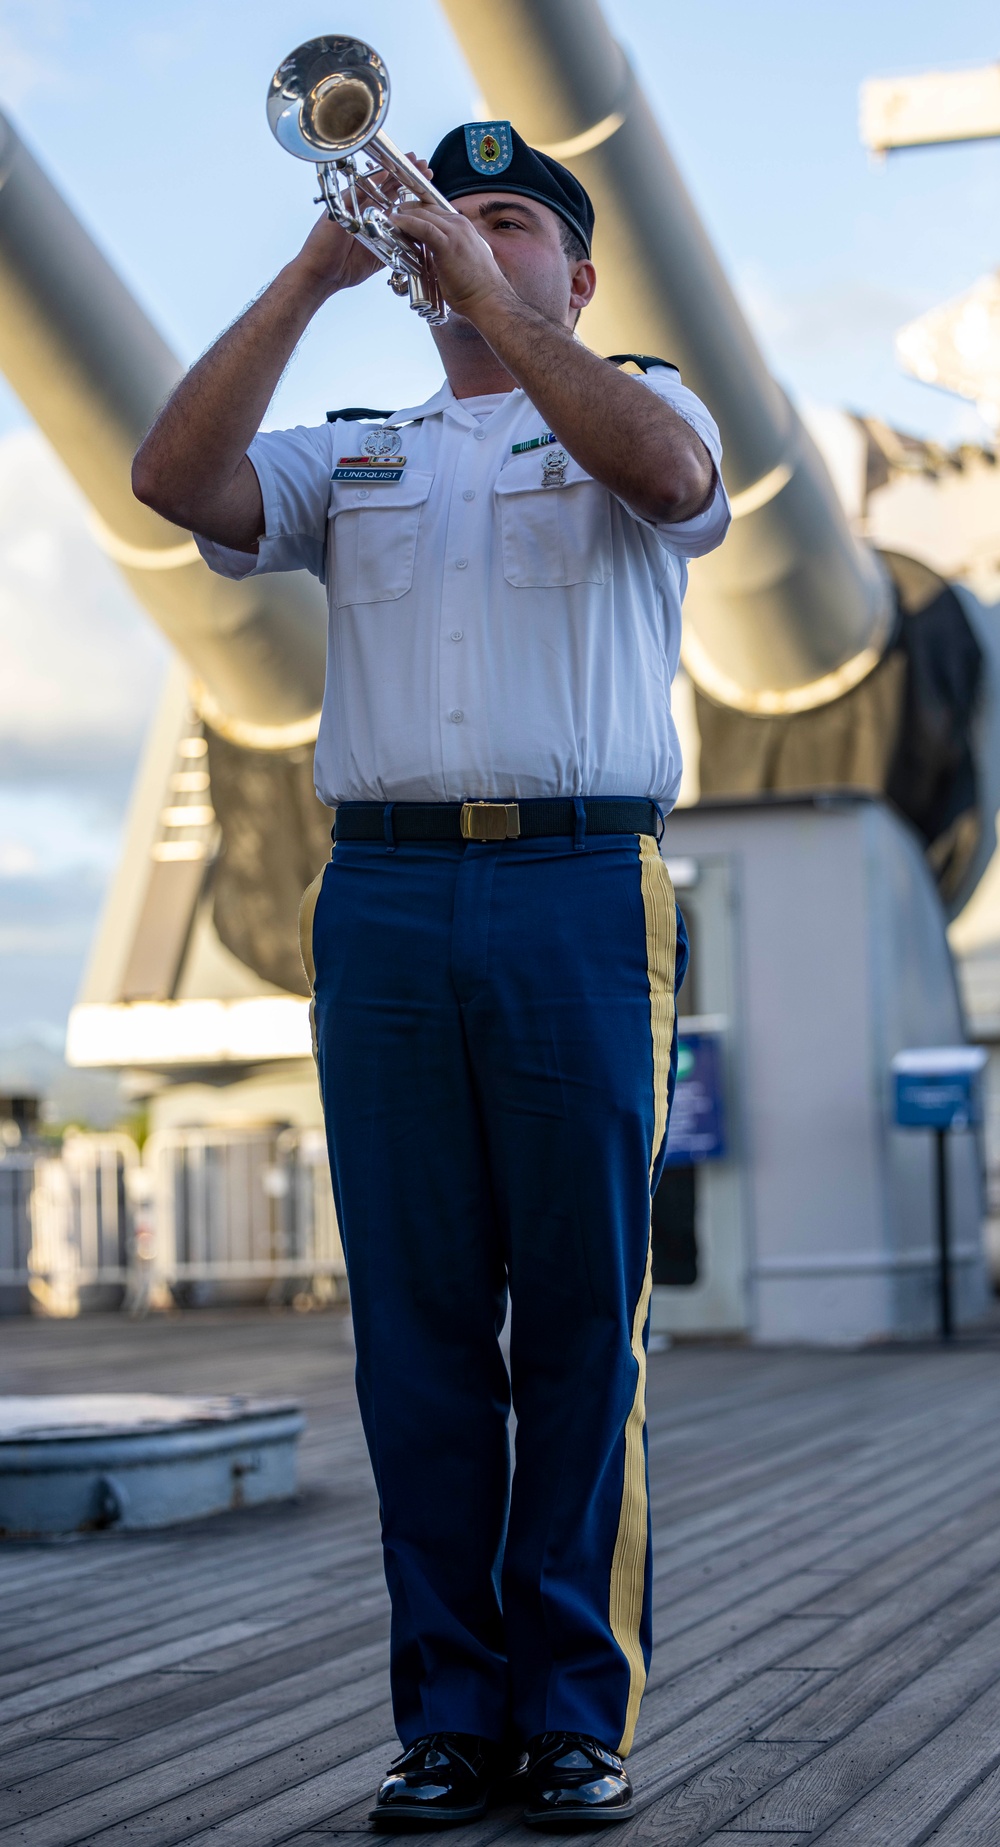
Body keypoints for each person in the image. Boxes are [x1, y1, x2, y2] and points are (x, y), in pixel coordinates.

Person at [133, 119, 730, 1830]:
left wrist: (493, 307)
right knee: (412, 1332)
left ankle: (571, 1710)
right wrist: (319, 274)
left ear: (580, 272)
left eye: (512, 222)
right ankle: (451, 1714)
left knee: (577, 1324)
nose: (469, 238)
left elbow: (679, 490)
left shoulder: (643, 397)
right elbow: (179, 483)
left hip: (577, 886)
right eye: (447, 219)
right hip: (386, 896)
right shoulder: (362, 447)